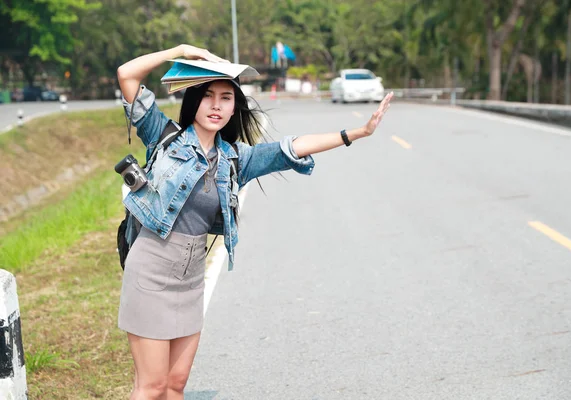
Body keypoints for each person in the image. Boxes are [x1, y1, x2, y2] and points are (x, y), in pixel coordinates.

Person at [116, 43, 393, 400]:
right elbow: (127, 74)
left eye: (226, 98)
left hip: (191, 276)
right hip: (152, 268)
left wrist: (357, 132)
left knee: (175, 385)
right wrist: (183, 51)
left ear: (235, 107)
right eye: (208, 96)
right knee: (151, 386)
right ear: (193, 100)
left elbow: (292, 148)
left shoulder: (236, 159)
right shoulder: (163, 135)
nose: (217, 106)